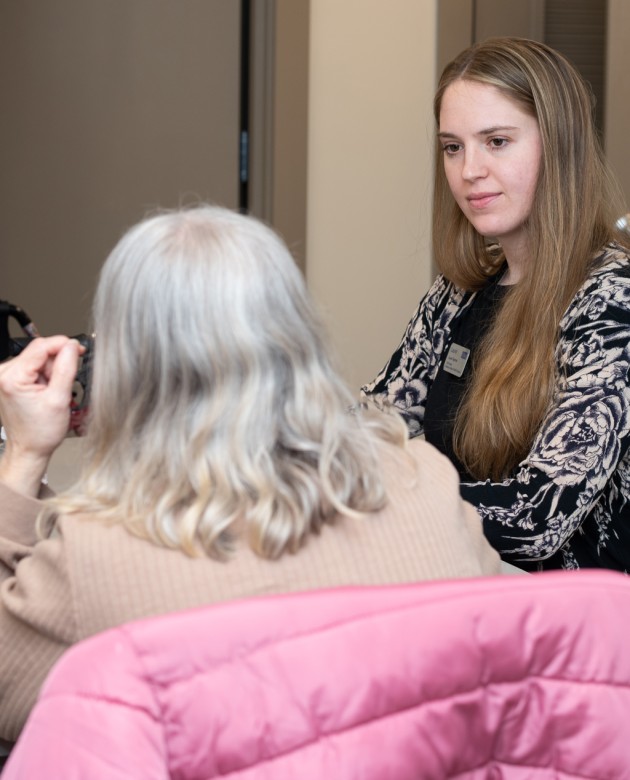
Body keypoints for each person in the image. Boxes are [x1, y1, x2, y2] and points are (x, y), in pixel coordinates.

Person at [0, 206, 500, 744]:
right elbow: (499, 657)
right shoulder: (424, 483)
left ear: (124, 367)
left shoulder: (93, 557)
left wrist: (24, 455)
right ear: (299, 340)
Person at [363, 37, 630, 573]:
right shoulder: (455, 295)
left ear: (560, 146)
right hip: (476, 607)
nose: (469, 171)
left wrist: (365, 498)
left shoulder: (614, 299)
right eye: (453, 147)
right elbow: (373, 430)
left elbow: (535, 519)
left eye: (498, 141)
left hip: (581, 636)